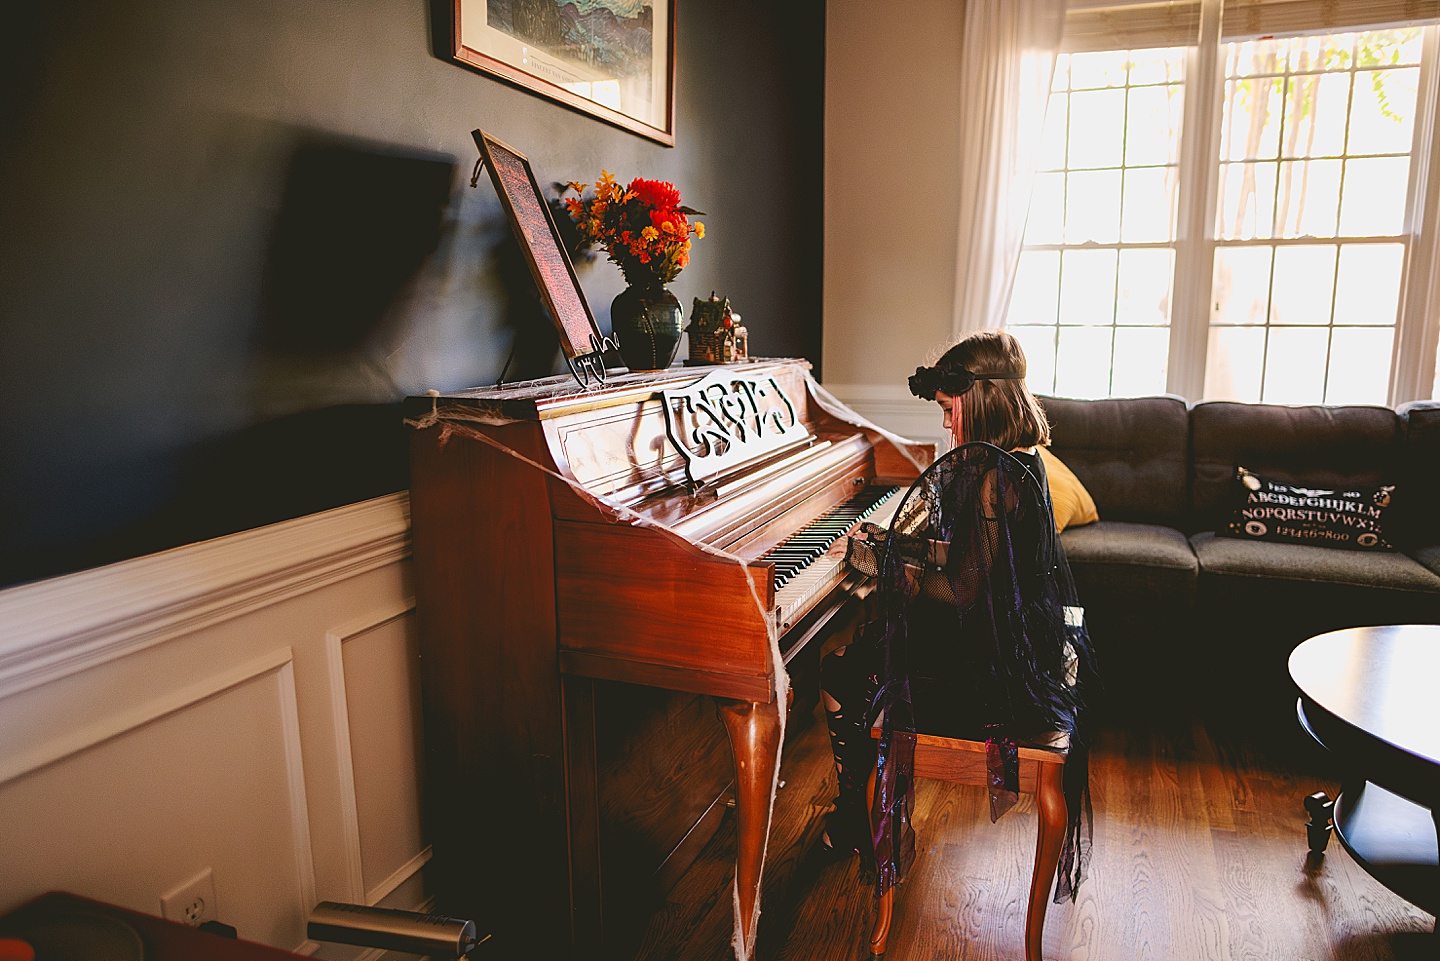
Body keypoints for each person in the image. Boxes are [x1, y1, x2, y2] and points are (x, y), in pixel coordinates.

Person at [817, 328, 1095, 901]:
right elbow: (982, 558)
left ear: (982, 399)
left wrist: (901, 572)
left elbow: (964, 591)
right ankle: (867, 815)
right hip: (1018, 641)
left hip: (999, 674)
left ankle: (860, 820)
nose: (946, 424)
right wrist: (907, 549)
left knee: (846, 667)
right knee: (870, 650)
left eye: (949, 410)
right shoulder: (1022, 461)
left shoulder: (994, 478)